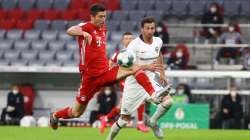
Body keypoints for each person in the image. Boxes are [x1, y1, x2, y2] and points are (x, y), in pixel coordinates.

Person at [50, 4, 170, 130]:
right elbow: (70, 30)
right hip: (90, 78)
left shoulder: (103, 29)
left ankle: (153, 95)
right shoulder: (86, 27)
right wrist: (84, 34)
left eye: (105, 16)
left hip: (105, 72)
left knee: (134, 68)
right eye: (100, 17)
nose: (103, 19)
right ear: (92, 16)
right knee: (76, 112)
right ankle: (55, 115)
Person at [106, 17, 174, 140]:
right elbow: (130, 67)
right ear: (142, 29)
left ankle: (152, 122)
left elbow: (159, 54)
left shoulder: (158, 41)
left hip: (152, 77)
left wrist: (162, 74)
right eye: (147, 28)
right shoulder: (134, 45)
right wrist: (146, 66)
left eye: (152, 28)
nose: (150, 31)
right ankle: (109, 138)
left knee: (168, 101)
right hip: (134, 82)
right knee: (123, 120)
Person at [99, 32, 150, 133]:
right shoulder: (119, 53)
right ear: (123, 41)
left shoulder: (137, 52)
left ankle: (105, 119)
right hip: (125, 81)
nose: (129, 40)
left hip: (135, 80)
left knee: (124, 106)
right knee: (140, 99)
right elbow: (110, 64)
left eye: (131, 38)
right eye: (126, 38)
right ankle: (140, 124)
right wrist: (116, 74)